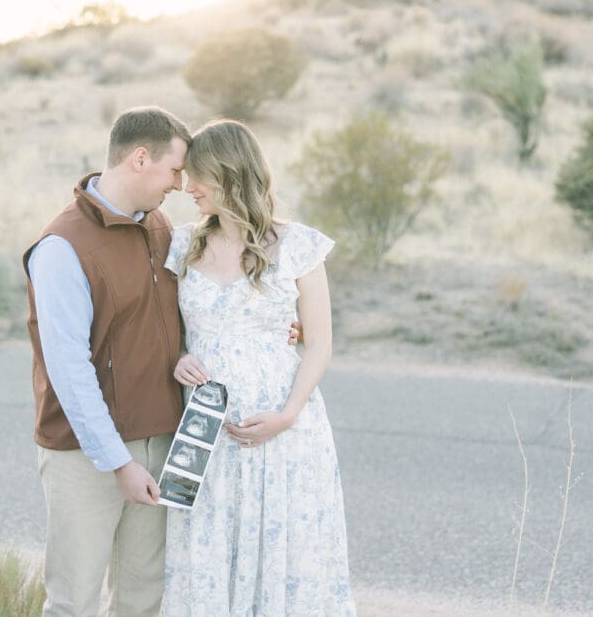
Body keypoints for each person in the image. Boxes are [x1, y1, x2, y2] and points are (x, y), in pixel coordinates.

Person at [162, 119, 356, 615]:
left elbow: (319, 344)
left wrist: (288, 414)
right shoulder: (183, 245)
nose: (187, 188)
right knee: (208, 551)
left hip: (284, 432)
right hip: (205, 432)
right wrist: (180, 356)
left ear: (229, 174)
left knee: (282, 556)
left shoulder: (299, 246)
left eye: (198, 176)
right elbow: (165, 330)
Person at [23, 106, 191, 617]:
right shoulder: (62, 246)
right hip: (85, 452)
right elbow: (69, 370)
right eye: (175, 170)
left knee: (143, 599)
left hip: (160, 442)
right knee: (74, 600)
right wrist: (118, 461)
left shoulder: (161, 227)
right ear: (141, 158)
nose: (181, 184)